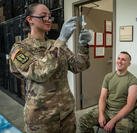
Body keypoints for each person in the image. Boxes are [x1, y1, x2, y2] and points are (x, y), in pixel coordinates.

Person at [9, 3, 91, 133]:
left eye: (50, 16)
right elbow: (38, 73)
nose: (48, 19)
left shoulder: (56, 44)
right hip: (41, 120)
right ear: (29, 19)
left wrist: (83, 45)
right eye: (43, 16)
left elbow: (79, 66)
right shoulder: (20, 48)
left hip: (66, 115)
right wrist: (62, 39)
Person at [79, 51, 137, 133]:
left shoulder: (133, 81)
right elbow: (102, 97)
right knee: (83, 120)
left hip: (123, 115)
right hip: (107, 110)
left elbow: (129, 106)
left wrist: (113, 121)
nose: (120, 61)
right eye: (118, 58)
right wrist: (101, 114)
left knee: (123, 130)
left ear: (129, 64)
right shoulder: (109, 77)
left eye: (123, 60)